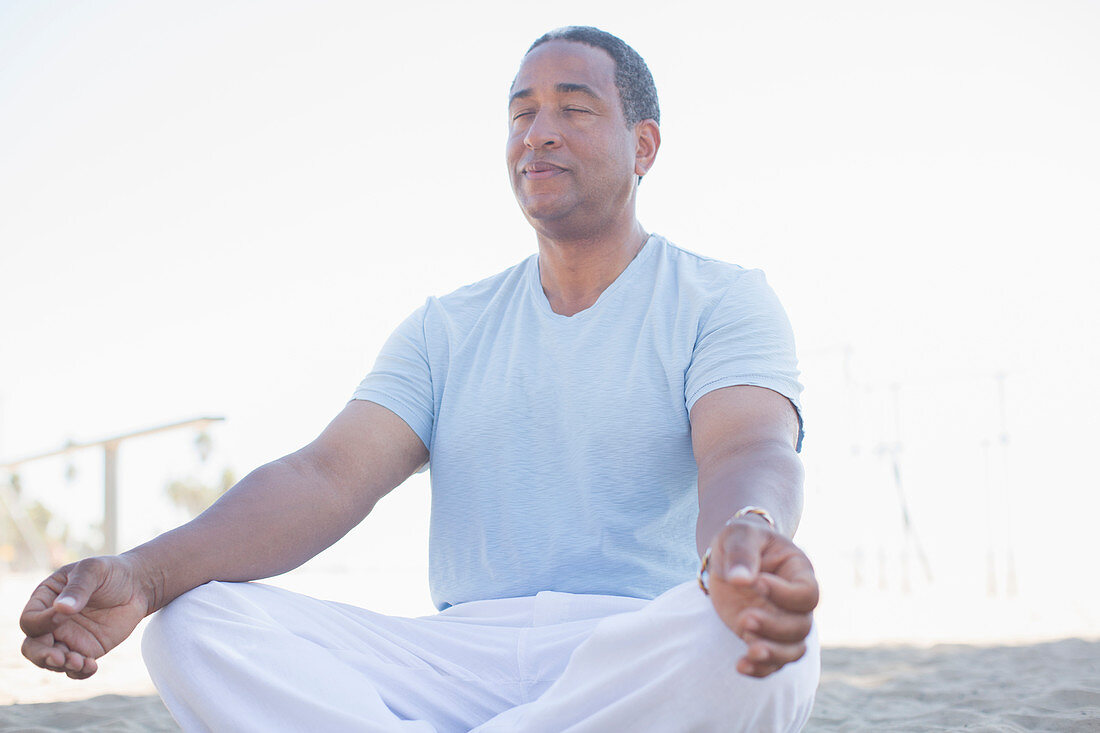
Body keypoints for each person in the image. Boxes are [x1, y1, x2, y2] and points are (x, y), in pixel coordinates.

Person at [20, 26, 820, 732]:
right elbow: (325, 476)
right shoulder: (448, 326)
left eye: (573, 109)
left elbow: (748, 445)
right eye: (520, 113)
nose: (538, 133)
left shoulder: (722, 297)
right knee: (193, 623)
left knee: (769, 640)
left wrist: (744, 535)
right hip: (456, 659)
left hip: (635, 648)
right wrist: (144, 574)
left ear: (644, 146)